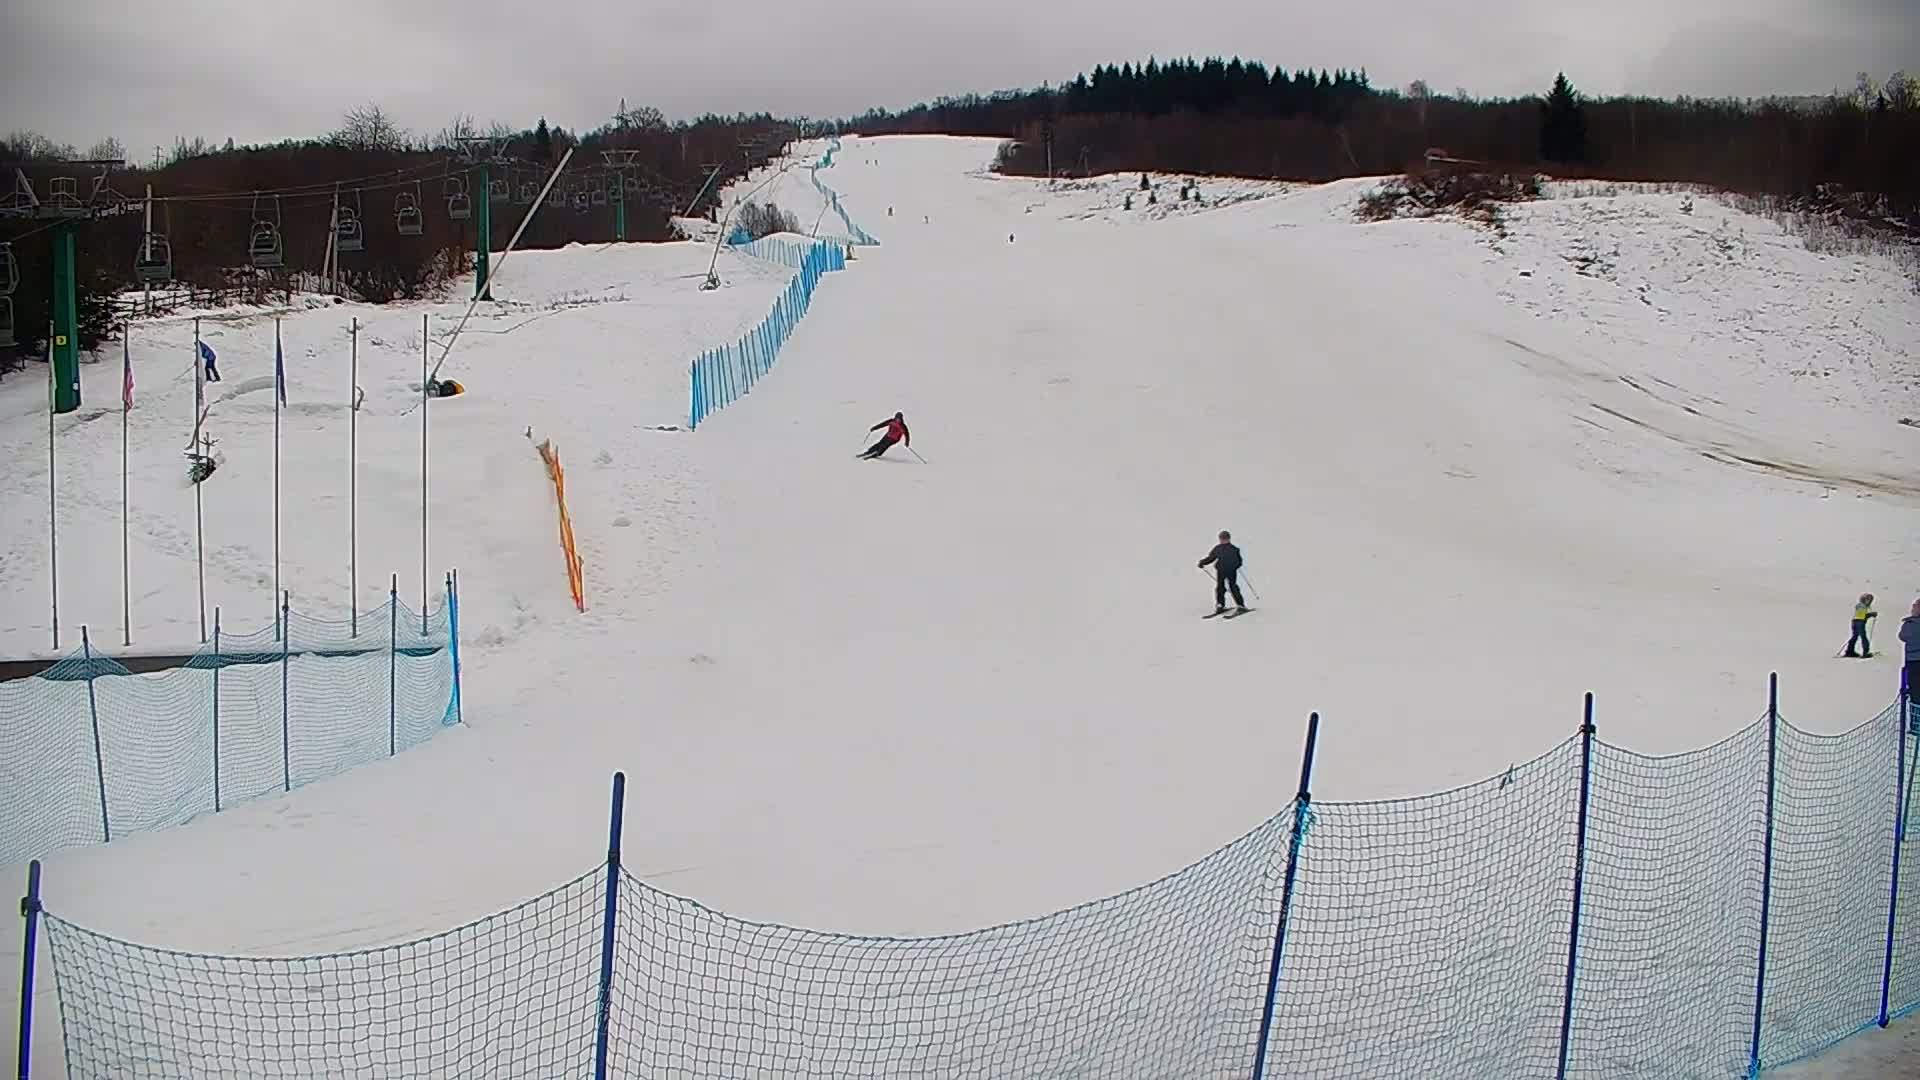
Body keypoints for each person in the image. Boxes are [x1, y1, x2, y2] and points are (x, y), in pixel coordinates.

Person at [1198, 530, 1247, 615]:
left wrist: (1234, 566)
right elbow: (1211, 558)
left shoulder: (1234, 549)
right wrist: (1202, 562)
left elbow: (1239, 561)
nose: (1222, 540)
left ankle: (1241, 605)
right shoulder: (1218, 548)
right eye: (1221, 538)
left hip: (1231, 571)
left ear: (1228, 539)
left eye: (1224, 539)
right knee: (1220, 587)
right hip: (1221, 571)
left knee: (1233, 586)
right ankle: (1220, 605)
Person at [1902, 598, 1920, 720]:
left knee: (1915, 692)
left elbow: (1902, 636)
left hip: (1913, 661)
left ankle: (1916, 722)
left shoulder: (1910, 624)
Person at [1847, 593, 1879, 657]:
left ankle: (1850, 651)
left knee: (1854, 636)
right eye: (1868, 600)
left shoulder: (1860, 605)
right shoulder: (1862, 606)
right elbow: (1861, 616)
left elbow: (1860, 615)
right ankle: (1865, 653)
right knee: (1863, 637)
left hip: (1855, 622)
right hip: (1859, 622)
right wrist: (1871, 614)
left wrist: (1870, 615)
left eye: (1870, 600)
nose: (1869, 602)